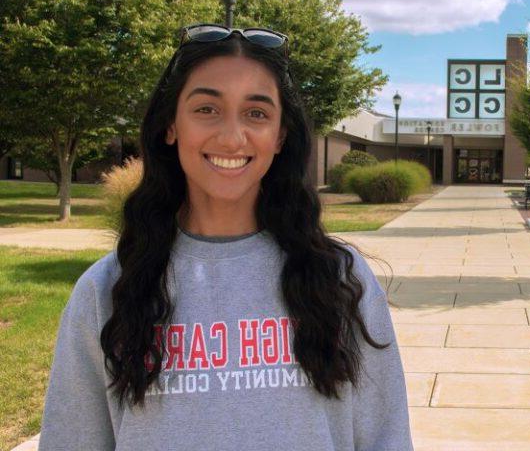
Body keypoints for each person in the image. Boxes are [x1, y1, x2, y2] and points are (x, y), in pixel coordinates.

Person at [38, 23, 413, 450]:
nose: (232, 137)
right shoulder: (106, 292)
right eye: (206, 109)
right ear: (170, 125)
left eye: (256, 113)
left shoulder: (342, 280)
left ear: (280, 135)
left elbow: (387, 438)